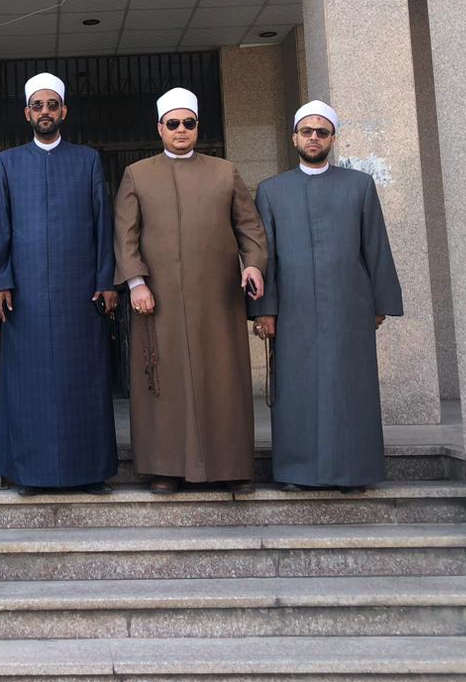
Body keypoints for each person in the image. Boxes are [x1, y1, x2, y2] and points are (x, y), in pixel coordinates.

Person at [113, 88, 267, 495]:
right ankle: (165, 468)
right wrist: (136, 283)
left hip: (217, 299)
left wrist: (253, 264)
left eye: (189, 123)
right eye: (173, 123)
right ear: (160, 128)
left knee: (224, 380)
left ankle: (232, 467)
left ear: (198, 127)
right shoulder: (137, 174)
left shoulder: (225, 172)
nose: (181, 130)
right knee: (163, 382)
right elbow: (125, 236)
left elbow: (250, 227)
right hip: (157, 300)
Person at [249, 100, 403, 493]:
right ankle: (296, 473)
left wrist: (380, 303)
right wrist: (265, 310)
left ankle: (353, 473)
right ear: (294, 138)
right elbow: (265, 256)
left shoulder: (359, 186)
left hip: (349, 307)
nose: (314, 138)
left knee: (349, 389)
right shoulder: (271, 191)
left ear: (332, 138)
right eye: (307, 131)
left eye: (322, 132)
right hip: (293, 310)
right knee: (297, 390)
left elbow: (375, 246)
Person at [0, 73, 118, 496]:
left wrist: (106, 279)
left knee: (84, 380)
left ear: (64, 111)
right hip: (26, 296)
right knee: (29, 385)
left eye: (52, 105)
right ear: (27, 113)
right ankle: (29, 473)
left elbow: (103, 224)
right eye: (38, 106)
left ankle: (89, 471)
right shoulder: (7, 163)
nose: (45, 112)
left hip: (80, 292)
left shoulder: (87, 160)